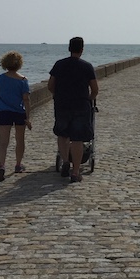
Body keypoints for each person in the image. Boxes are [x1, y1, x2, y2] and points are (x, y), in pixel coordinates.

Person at [48, 36, 98, 183]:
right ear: (82, 49)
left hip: (62, 105)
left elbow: (50, 86)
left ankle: (65, 161)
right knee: (77, 138)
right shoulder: (87, 66)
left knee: (63, 134)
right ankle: (75, 172)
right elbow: (95, 89)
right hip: (81, 106)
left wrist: (58, 95)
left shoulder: (59, 65)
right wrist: (89, 98)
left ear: (69, 48)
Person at [0, 50, 32, 182]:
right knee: (19, 140)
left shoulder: (0, 79)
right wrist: (28, 117)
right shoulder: (23, 80)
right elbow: (26, 100)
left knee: (3, 142)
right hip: (19, 113)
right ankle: (18, 164)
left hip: (4, 113)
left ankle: (2, 165)